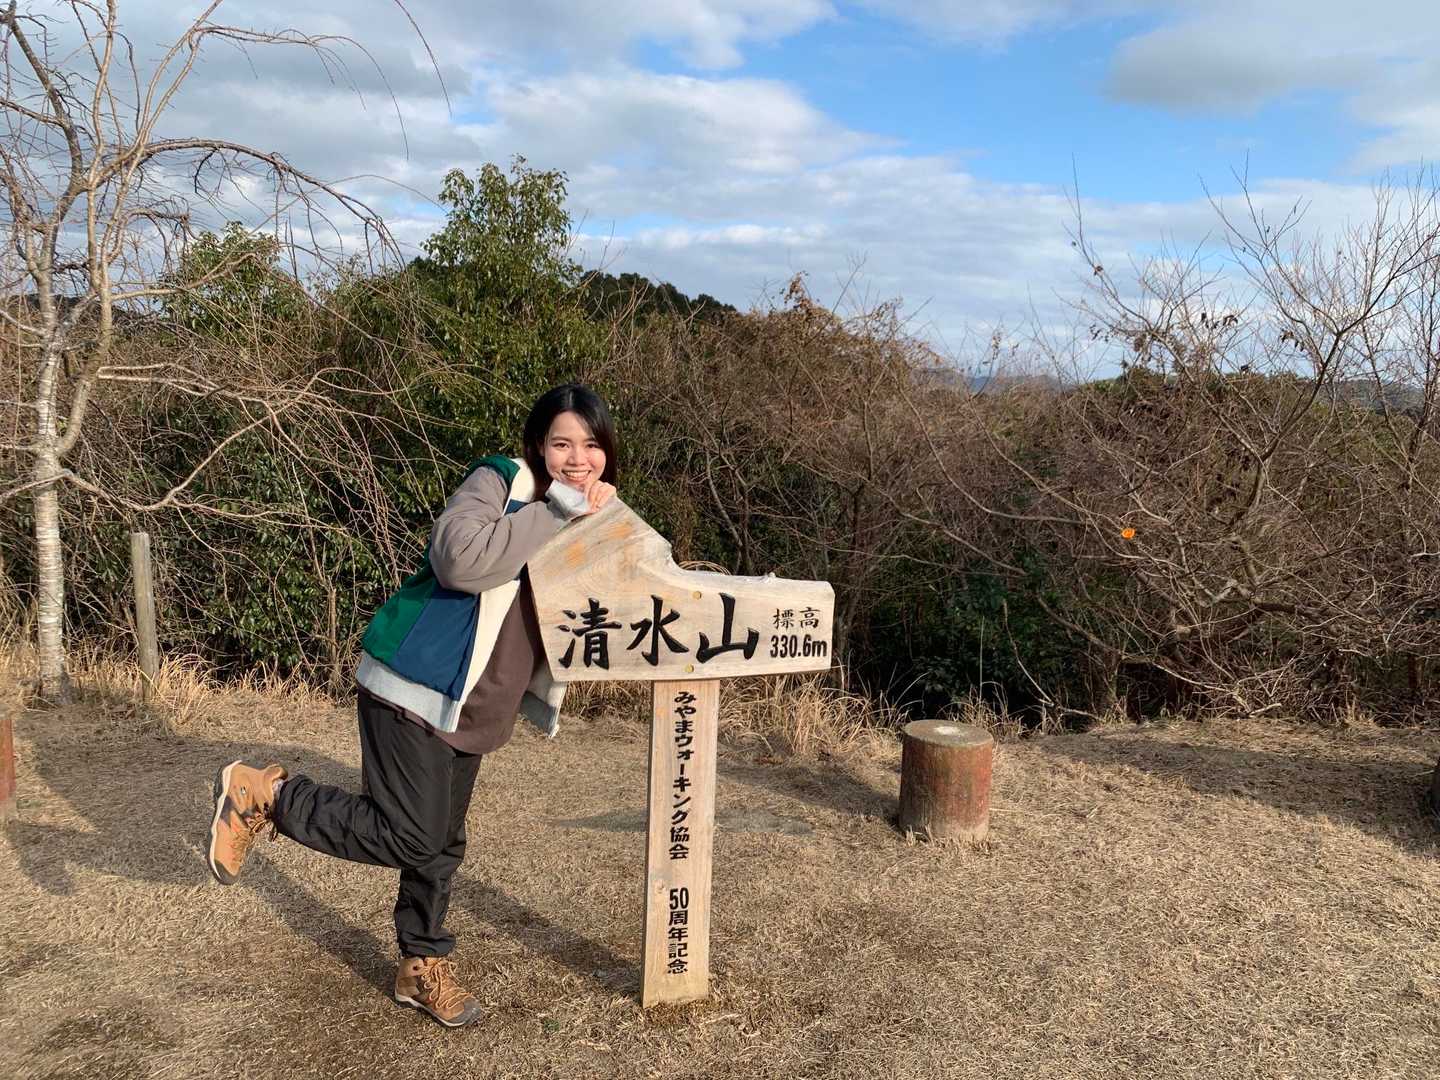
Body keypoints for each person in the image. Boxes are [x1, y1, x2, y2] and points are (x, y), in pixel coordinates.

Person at [204, 383, 618, 1027]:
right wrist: (556, 509)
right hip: (412, 687)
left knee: (440, 845)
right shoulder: (501, 482)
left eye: (590, 445)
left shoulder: (587, 512)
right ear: (539, 445)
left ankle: (420, 965)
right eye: (562, 443)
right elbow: (458, 561)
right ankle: (269, 797)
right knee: (411, 835)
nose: (577, 459)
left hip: (475, 709)